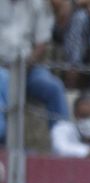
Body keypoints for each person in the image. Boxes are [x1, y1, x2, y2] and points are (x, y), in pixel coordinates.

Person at [0, 0, 72, 145]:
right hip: (2, 67)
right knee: (4, 80)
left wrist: (24, 65)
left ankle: (64, 143)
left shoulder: (38, 4)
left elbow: (41, 44)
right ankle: (6, 143)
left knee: (54, 87)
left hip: (29, 67)